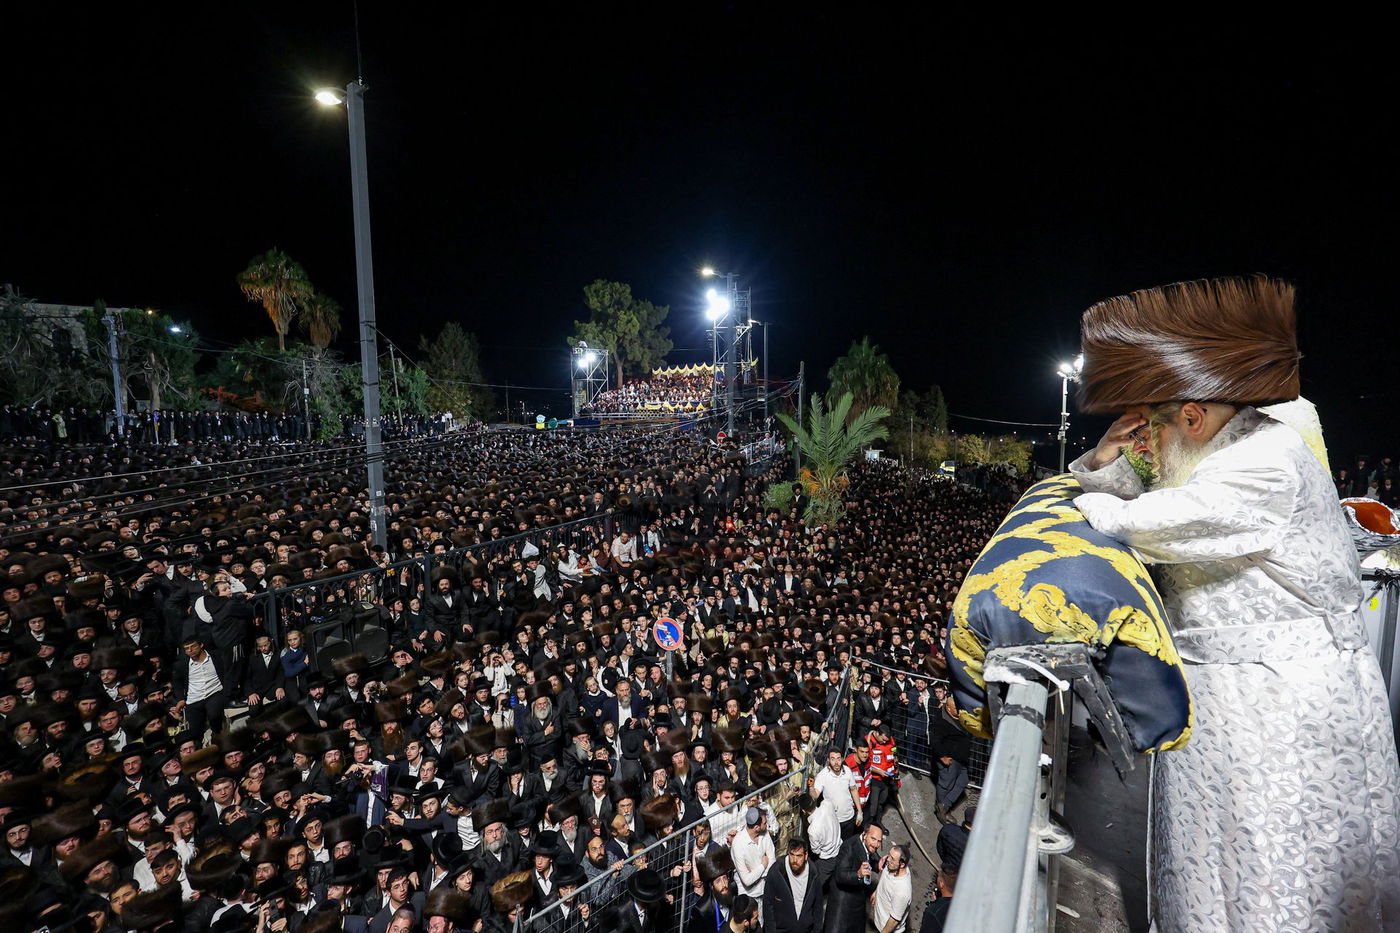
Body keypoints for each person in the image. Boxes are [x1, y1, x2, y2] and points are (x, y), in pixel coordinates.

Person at [1069, 276, 1400, 930]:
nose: (1144, 437)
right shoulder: (1207, 443)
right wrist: (1102, 465)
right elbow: (1123, 478)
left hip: (1282, 725)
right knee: (1203, 891)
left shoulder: (1266, 457)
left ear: (1192, 414)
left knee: (1273, 896)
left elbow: (1149, 516)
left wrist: (1088, 503)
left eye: (1154, 420)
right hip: (1222, 719)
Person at [822, 822, 881, 933]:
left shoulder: (868, 846)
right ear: (865, 834)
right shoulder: (849, 846)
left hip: (857, 900)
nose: (876, 844)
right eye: (873, 839)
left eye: (879, 841)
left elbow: (868, 858)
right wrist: (858, 874)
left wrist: (878, 864)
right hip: (842, 904)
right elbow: (840, 876)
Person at [762, 837, 823, 933]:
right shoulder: (777, 871)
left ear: (806, 855)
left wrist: (817, 930)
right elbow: (768, 904)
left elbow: (818, 906)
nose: (795, 860)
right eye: (792, 855)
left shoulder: (813, 873)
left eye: (799, 856)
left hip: (805, 929)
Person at [870, 844, 912, 933]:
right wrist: (877, 892)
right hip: (880, 922)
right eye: (889, 855)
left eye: (892, 858)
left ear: (902, 865)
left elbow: (893, 921)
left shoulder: (902, 891)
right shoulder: (892, 866)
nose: (888, 859)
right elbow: (885, 879)